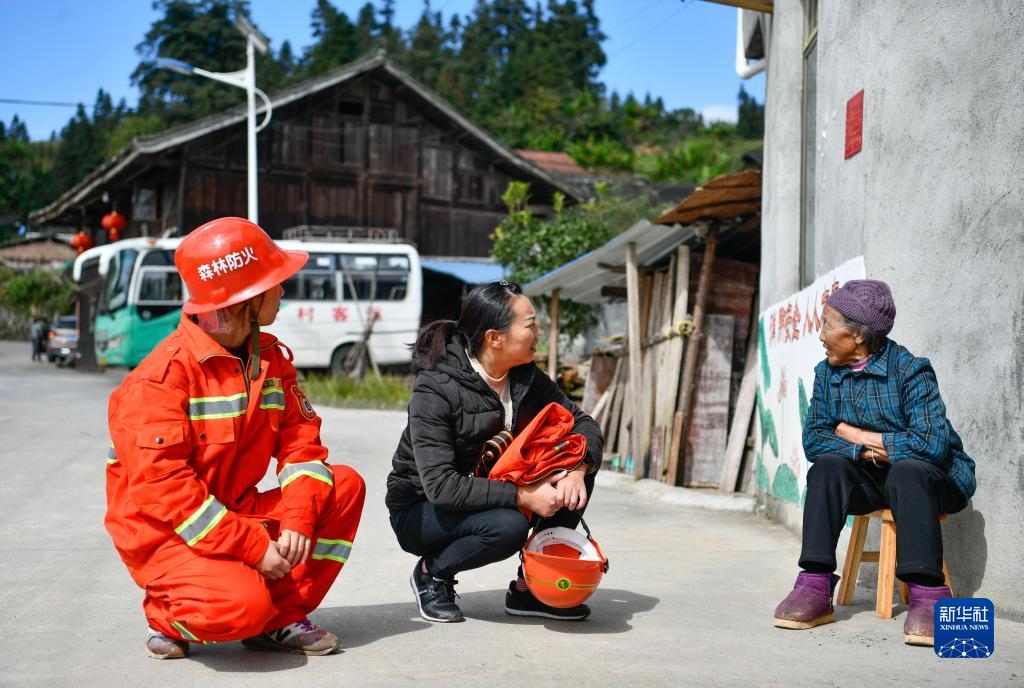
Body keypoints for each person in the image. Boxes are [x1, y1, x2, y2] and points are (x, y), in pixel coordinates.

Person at [105, 217, 366, 660]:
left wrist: (299, 518)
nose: (282, 290)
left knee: (343, 486)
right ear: (244, 300)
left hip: (232, 513)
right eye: (273, 283)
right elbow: (167, 495)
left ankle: (282, 617)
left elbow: (302, 447)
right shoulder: (158, 381)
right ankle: (167, 614)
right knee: (242, 608)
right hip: (169, 534)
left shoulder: (269, 359)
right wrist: (253, 546)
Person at [773, 279, 976, 646]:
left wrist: (855, 434)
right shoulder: (827, 374)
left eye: (827, 325)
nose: (820, 335)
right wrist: (868, 451)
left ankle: (929, 594)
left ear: (857, 336)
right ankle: (814, 584)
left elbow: (930, 445)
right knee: (827, 468)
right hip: (875, 479)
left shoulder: (910, 370)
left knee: (908, 470)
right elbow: (815, 440)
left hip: (934, 481)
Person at [386, 281, 603, 623]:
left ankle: (531, 590)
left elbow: (583, 423)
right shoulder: (435, 388)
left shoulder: (527, 378)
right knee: (508, 526)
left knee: (574, 474)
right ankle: (432, 574)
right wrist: (524, 496)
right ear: (495, 338)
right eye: (530, 325)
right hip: (422, 509)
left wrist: (577, 467)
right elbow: (441, 487)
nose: (538, 333)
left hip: (491, 487)